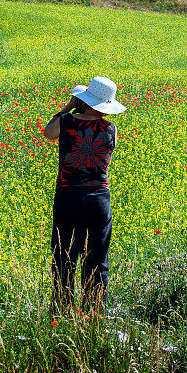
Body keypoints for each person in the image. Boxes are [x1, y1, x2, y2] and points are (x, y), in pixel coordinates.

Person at [42, 76, 126, 313]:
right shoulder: (111, 128)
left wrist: (69, 106)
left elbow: (48, 134)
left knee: (64, 260)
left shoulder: (67, 121)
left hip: (69, 198)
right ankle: (95, 317)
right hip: (99, 200)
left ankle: (61, 314)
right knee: (97, 262)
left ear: (84, 100)